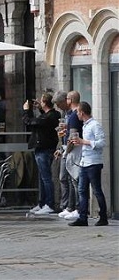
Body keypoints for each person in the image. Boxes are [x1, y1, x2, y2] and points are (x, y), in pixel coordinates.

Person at [68, 102, 108, 227]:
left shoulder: (95, 125)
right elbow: (86, 143)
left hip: (93, 163)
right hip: (84, 162)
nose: (77, 115)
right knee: (81, 190)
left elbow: (102, 143)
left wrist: (83, 141)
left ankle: (103, 217)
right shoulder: (85, 126)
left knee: (96, 190)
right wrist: (79, 143)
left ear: (82, 112)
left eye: (78, 112)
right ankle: (82, 217)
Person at [23, 93, 60, 215]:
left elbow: (31, 122)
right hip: (43, 149)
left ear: (44, 103)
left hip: (44, 149)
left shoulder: (50, 116)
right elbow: (42, 119)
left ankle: (49, 204)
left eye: (41, 102)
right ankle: (42, 203)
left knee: (46, 178)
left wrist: (26, 111)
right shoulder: (51, 115)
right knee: (42, 177)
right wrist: (40, 108)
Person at [57, 90, 82, 221]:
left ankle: (77, 208)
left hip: (74, 151)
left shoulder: (73, 116)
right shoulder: (72, 116)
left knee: (75, 181)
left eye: (67, 98)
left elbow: (73, 137)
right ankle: (74, 207)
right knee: (73, 180)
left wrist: (66, 151)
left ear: (70, 100)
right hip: (74, 150)